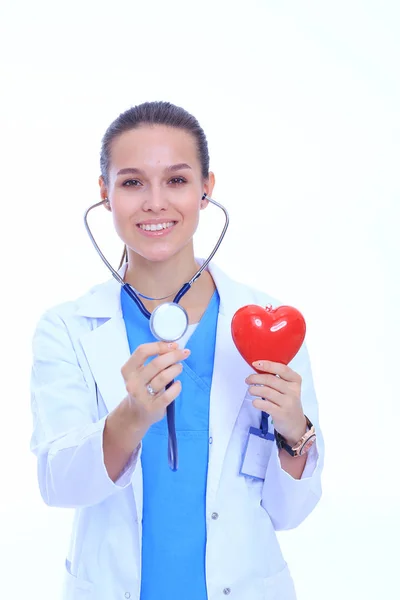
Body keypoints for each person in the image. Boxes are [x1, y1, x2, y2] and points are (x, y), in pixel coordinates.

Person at [30, 101, 324, 600]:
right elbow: (60, 486)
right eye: (131, 182)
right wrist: (132, 415)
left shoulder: (267, 323)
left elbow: (290, 513)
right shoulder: (68, 328)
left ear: (207, 189)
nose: (155, 202)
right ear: (104, 193)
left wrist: (294, 430)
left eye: (177, 180)